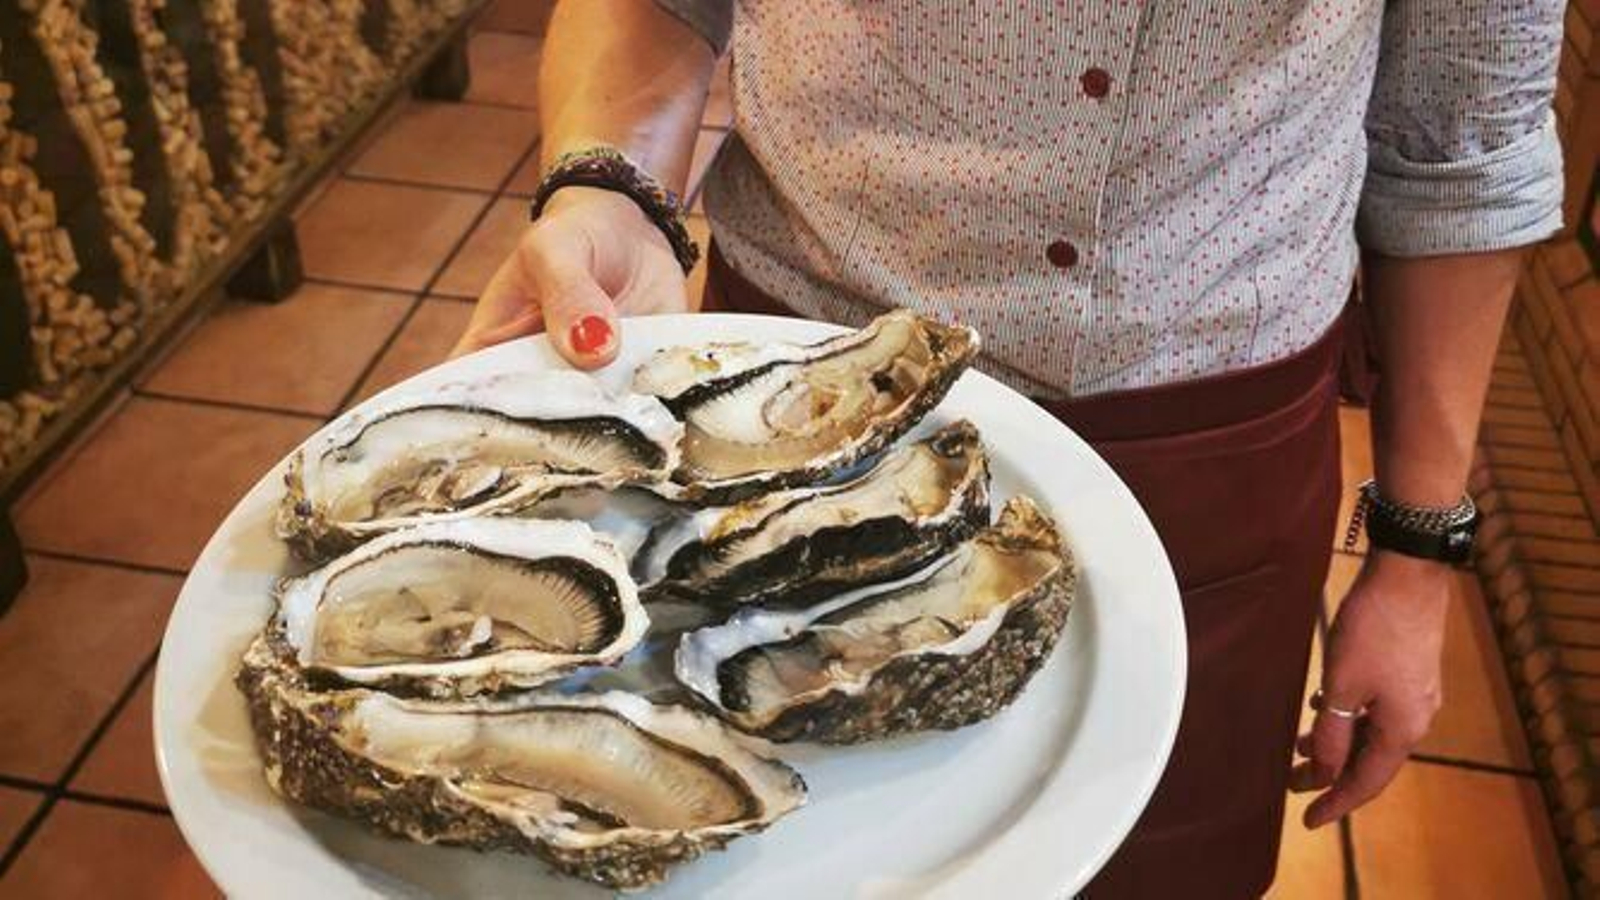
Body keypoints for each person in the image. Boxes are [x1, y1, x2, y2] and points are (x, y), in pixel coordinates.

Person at [453, 2, 1565, 896]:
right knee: (789, 853)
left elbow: (1461, 146)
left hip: (1205, 446)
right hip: (797, 409)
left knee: (1160, 858)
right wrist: (612, 187)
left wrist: (1418, 557)